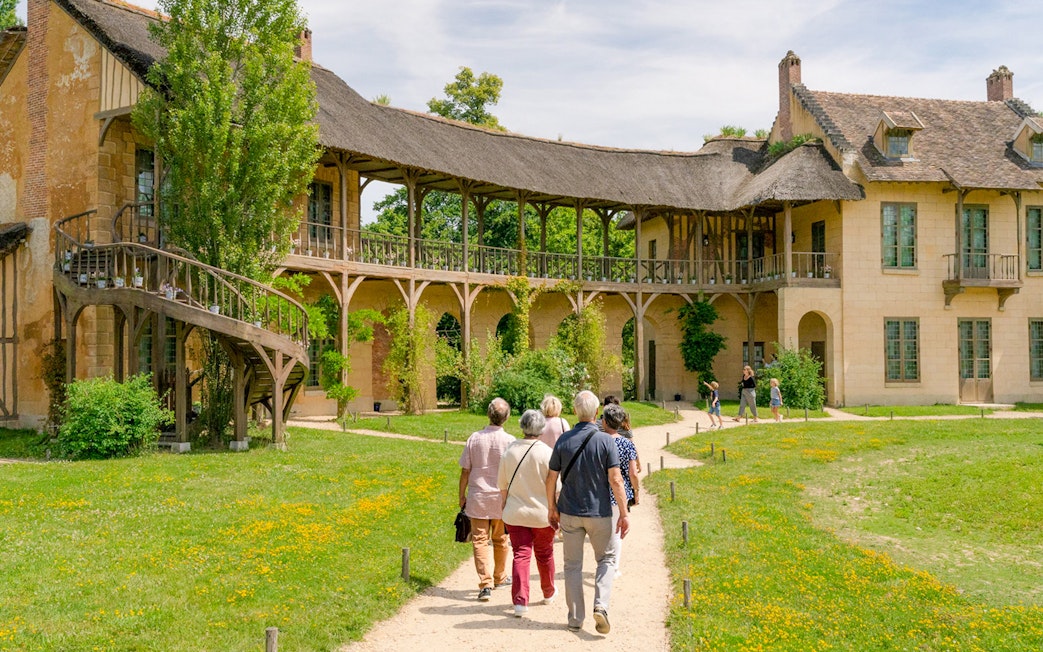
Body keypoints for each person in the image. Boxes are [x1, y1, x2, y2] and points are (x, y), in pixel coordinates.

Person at [546, 390, 630, 635]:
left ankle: (575, 618)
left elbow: (551, 478)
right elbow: (616, 480)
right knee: (605, 560)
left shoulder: (563, 440)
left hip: (570, 512)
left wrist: (552, 507)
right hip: (599, 512)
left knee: (572, 566)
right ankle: (601, 606)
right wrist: (624, 513)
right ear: (596, 413)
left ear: (575, 411)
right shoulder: (606, 441)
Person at [497, 409, 557, 618]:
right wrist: (554, 509)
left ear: (522, 426)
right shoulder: (547, 453)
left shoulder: (509, 451)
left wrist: (504, 505)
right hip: (542, 514)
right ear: (541, 428)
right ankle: (548, 591)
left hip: (516, 512)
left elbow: (502, 486)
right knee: (545, 553)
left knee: (521, 554)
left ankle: (520, 601)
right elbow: (556, 486)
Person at [459, 397, 516, 601]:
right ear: (507, 417)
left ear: (488, 415)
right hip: (501, 497)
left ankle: (485, 583)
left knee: (480, 540)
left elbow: (466, 470)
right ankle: (500, 576)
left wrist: (461, 495)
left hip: (479, 497)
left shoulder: (474, 438)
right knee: (501, 539)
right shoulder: (510, 441)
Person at [602, 403, 639, 579]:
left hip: (599, 491)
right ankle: (614, 567)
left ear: (604, 422)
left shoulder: (599, 442)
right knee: (616, 531)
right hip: (619, 493)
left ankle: (603, 562)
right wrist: (636, 491)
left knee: (603, 531)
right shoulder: (626, 444)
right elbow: (633, 473)